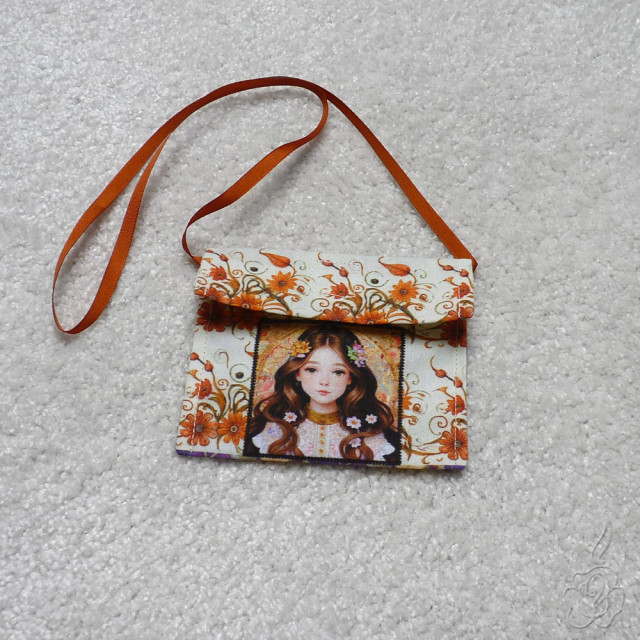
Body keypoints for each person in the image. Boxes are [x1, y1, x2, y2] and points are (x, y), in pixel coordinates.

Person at [248, 325, 397, 462]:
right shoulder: (273, 431)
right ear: (297, 373)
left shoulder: (371, 436)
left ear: (350, 378)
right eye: (312, 370)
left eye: (338, 372)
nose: (324, 381)